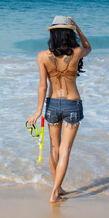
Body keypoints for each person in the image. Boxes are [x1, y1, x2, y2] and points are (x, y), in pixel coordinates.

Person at [27, 16, 91, 203]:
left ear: (52, 34)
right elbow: (89, 46)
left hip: (52, 105)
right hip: (72, 104)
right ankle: (55, 192)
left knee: (54, 149)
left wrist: (38, 110)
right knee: (65, 150)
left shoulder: (42, 56)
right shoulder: (77, 52)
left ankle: (58, 186)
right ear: (69, 33)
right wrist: (77, 27)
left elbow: (42, 86)